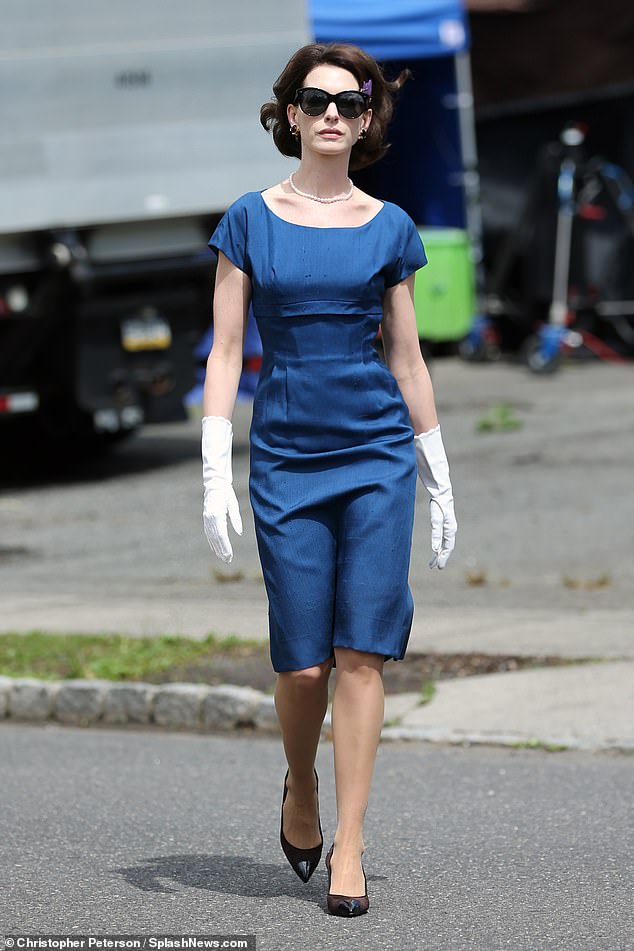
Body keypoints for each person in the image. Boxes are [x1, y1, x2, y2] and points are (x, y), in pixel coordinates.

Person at [201, 43, 457, 918]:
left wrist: (438, 466)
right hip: (286, 460)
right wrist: (212, 468)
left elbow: (409, 357)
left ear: (368, 118)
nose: (334, 116)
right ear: (292, 115)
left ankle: (350, 841)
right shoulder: (248, 220)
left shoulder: (389, 226)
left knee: (362, 652)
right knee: (303, 664)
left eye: (352, 103)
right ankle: (299, 784)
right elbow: (228, 351)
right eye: (317, 102)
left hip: (377, 455)